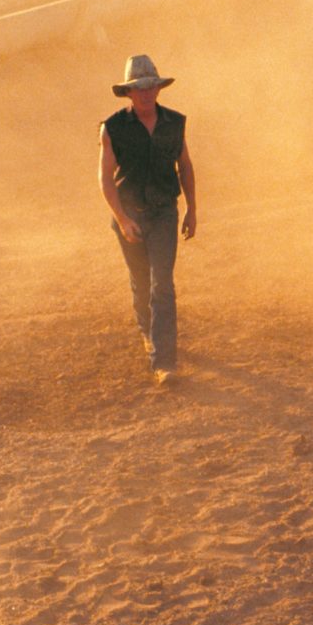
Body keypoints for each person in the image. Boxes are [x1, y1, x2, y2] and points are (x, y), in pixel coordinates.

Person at [98, 55, 196, 385]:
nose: (145, 93)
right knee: (141, 282)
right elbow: (106, 179)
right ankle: (148, 333)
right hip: (130, 216)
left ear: (157, 88)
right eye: (138, 88)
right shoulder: (112, 128)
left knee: (162, 284)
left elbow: (185, 166)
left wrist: (192, 210)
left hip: (164, 213)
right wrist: (122, 220)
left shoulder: (174, 123)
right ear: (128, 92)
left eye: (150, 86)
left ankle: (164, 361)